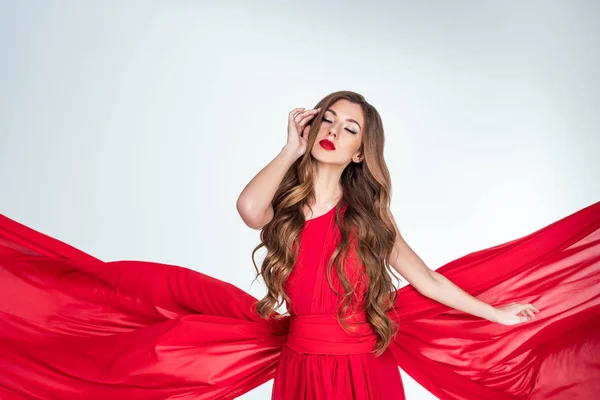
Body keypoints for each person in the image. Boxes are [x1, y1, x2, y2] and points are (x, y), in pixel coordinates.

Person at [0, 90, 598, 399]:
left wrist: (494, 312)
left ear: (362, 150)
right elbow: (246, 209)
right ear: (313, 128)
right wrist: (288, 147)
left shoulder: (370, 218)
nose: (335, 132)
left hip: (367, 369)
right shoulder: (283, 208)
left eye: (350, 128)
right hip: (302, 368)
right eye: (328, 120)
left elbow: (430, 281)